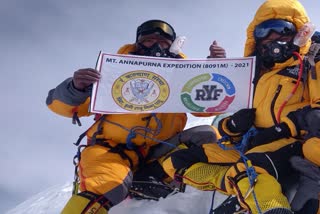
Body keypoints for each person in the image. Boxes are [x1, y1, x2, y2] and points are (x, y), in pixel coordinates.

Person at [46, 19, 226, 214]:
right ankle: (128, 183)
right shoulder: (111, 74)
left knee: (208, 136)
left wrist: (216, 72)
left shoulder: (182, 76)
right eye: (150, 40)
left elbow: (206, 108)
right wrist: (75, 88)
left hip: (158, 151)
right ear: (138, 43)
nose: (157, 45)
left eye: (164, 42)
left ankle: (151, 179)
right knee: (108, 186)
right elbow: (63, 107)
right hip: (111, 151)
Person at [162, 0, 320, 213]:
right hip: (251, 144)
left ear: (298, 33)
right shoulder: (251, 75)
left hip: (291, 142)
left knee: (250, 170)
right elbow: (210, 110)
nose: (273, 38)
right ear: (256, 39)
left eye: (283, 30)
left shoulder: (310, 63)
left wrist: (282, 128)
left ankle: (269, 206)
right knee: (176, 161)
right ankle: (232, 182)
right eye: (265, 32)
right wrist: (232, 126)